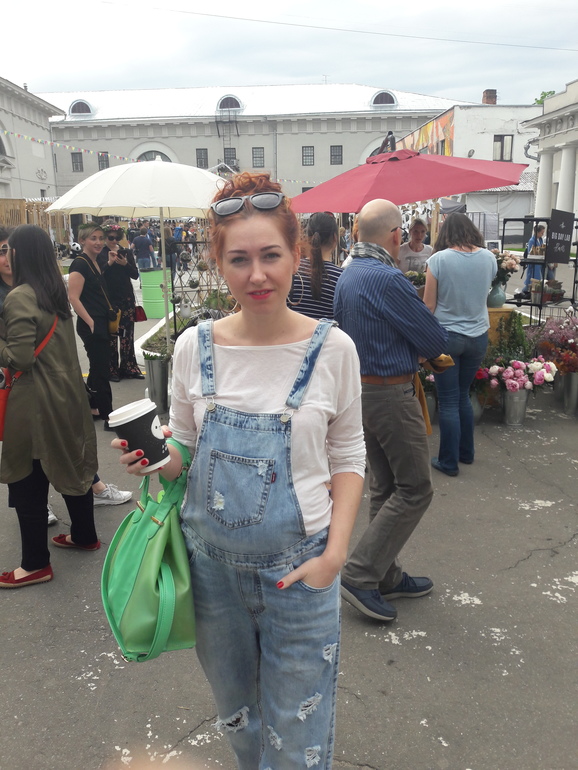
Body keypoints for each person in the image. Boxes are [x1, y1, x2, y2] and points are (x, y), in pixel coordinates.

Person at [114, 172, 366, 768]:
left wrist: (334, 557)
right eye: (240, 259)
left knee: (297, 738)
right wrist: (156, 459)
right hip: (212, 575)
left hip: (300, 573)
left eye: (271, 255)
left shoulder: (334, 351)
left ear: (296, 255)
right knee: (240, 722)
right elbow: (184, 449)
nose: (257, 275)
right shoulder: (192, 347)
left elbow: (349, 456)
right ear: (218, 264)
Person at [334, 198, 448, 623]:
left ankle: (385, 575)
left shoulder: (349, 273)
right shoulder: (386, 278)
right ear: (396, 235)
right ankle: (362, 573)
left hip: (361, 392)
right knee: (415, 488)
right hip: (389, 392)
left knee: (386, 486)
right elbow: (434, 338)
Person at [0, 225, 99, 588]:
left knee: (27, 478)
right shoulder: (54, 291)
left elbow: (20, 359)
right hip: (68, 394)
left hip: (35, 401)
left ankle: (35, 564)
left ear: (19, 253)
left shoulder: (20, 296)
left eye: (9, 249)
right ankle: (85, 535)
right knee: (73, 462)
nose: (6, 255)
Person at [423, 213, 496, 477]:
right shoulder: (489, 258)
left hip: (447, 338)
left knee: (448, 400)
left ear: (445, 234)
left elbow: (429, 305)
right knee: (463, 394)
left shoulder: (438, 260)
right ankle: (466, 452)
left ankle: (448, 461)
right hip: (478, 336)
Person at [68, 223, 114, 428]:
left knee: (98, 368)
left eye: (101, 238)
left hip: (100, 321)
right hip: (92, 324)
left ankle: (93, 406)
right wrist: (91, 322)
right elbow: (73, 297)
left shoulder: (94, 261)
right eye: (93, 238)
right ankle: (108, 416)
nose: (98, 242)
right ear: (82, 240)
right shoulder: (80, 264)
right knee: (102, 370)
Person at [98, 225, 144, 381]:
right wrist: (110, 263)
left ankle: (129, 367)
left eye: (117, 237)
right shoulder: (101, 253)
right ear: (105, 237)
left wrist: (125, 264)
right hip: (109, 300)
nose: (114, 241)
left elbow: (135, 275)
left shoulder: (126, 252)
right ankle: (112, 369)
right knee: (112, 334)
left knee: (127, 335)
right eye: (110, 237)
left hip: (126, 298)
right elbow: (98, 275)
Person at [288, 212, 343, 319]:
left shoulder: (294, 270)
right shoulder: (341, 277)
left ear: (308, 238)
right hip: (328, 330)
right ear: (335, 238)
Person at [521, 224, 554, 295]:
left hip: (539, 262)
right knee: (532, 279)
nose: (542, 234)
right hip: (534, 263)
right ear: (537, 232)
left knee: (538, 279)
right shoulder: (532, 240)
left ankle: (532, 292)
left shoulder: (540, 239)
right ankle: (523, 292)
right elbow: (530, 252)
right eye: (541, 233)